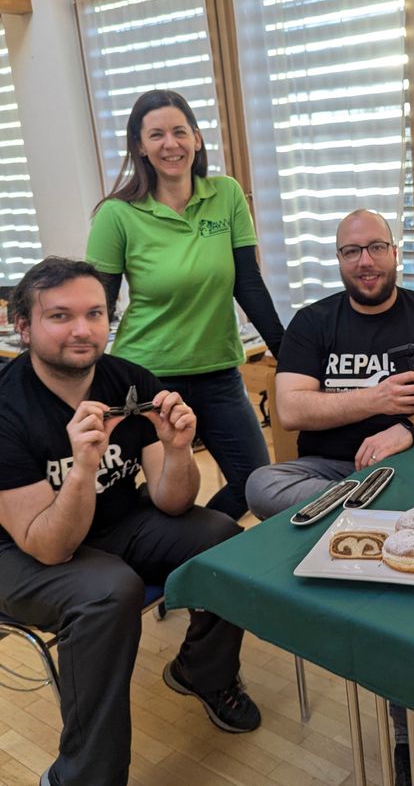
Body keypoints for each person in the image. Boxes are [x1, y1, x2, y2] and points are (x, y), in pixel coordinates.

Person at [246, 208, 414, 786]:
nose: (366, 261)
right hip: (329, 473)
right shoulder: (312, 321)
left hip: (412, 471)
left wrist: (404, 430)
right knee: (262, 483)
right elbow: (291, 409)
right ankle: (386, 534)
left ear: (394, 251)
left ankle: (413, 737)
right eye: (352, 251)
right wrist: (376, 400)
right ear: (339, 260)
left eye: (376, 247)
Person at [0, 258, 261, 786]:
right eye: (60, 316)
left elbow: (172, 502)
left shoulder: (129, 380)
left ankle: (201, 673)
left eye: (95, 313)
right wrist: (83, 469)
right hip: (21, 552)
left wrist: (178, 449)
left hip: (116, 525)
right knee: (110, 590)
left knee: (222, 540)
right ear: (22, 326)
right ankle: (84, 776)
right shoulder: (7, 409)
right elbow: (47, 547)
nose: (82, 328)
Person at [86, 89, 284, 520]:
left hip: (218, 372)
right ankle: (173, 558)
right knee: (167, 495)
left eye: (179, 131)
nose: (170, 144)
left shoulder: (225, 195)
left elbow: (247, 284)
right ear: (139, 145)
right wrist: (87, 377)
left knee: (256, 484)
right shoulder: (117, 215)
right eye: (156, 134)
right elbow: (94, 305)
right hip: (148, 379)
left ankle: (195, 554)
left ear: (196, 138)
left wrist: (289, 354)